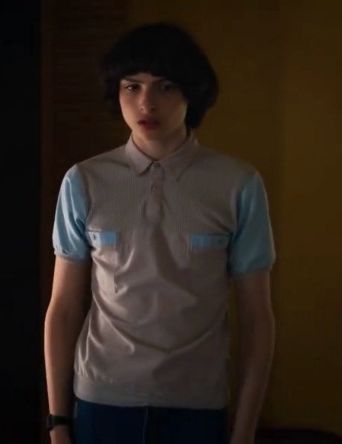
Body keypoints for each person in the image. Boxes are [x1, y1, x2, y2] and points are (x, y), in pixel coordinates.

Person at [44, 21, 276, 444]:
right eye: (132, 87)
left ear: (191, 93)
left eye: (165, 87)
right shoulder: (84, 181)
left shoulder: (238, 185)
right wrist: (58, 422)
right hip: (102, 400)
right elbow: (63, 307)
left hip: (197, 405)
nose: (146, 103)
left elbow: (257, 320)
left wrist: (244, 432)